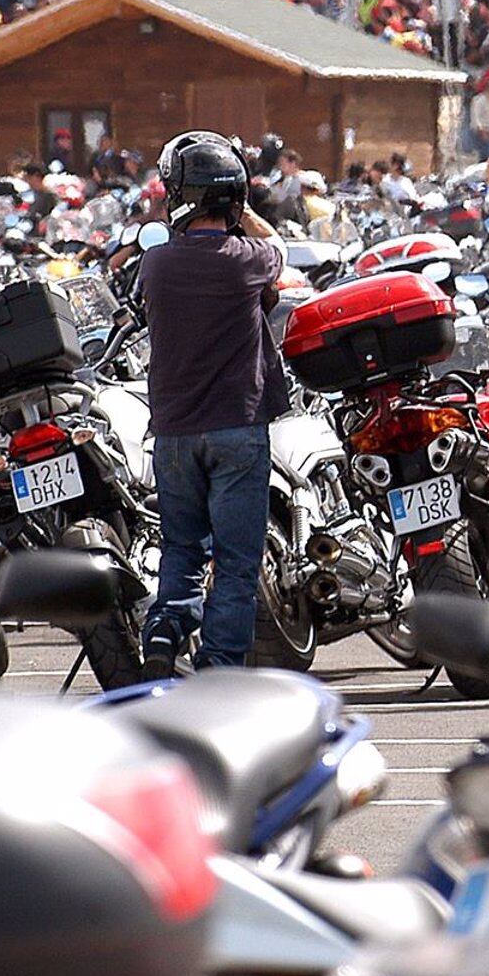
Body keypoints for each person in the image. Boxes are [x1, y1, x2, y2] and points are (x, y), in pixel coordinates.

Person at [138, 133, 289, 675]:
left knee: (181, 548)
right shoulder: (246, 260)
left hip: (175, 432)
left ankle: (163, 633)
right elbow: (280, 250)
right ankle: (218, 667)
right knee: (235, 563)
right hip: (237, 430)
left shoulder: (156, 264)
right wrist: (241, 209)